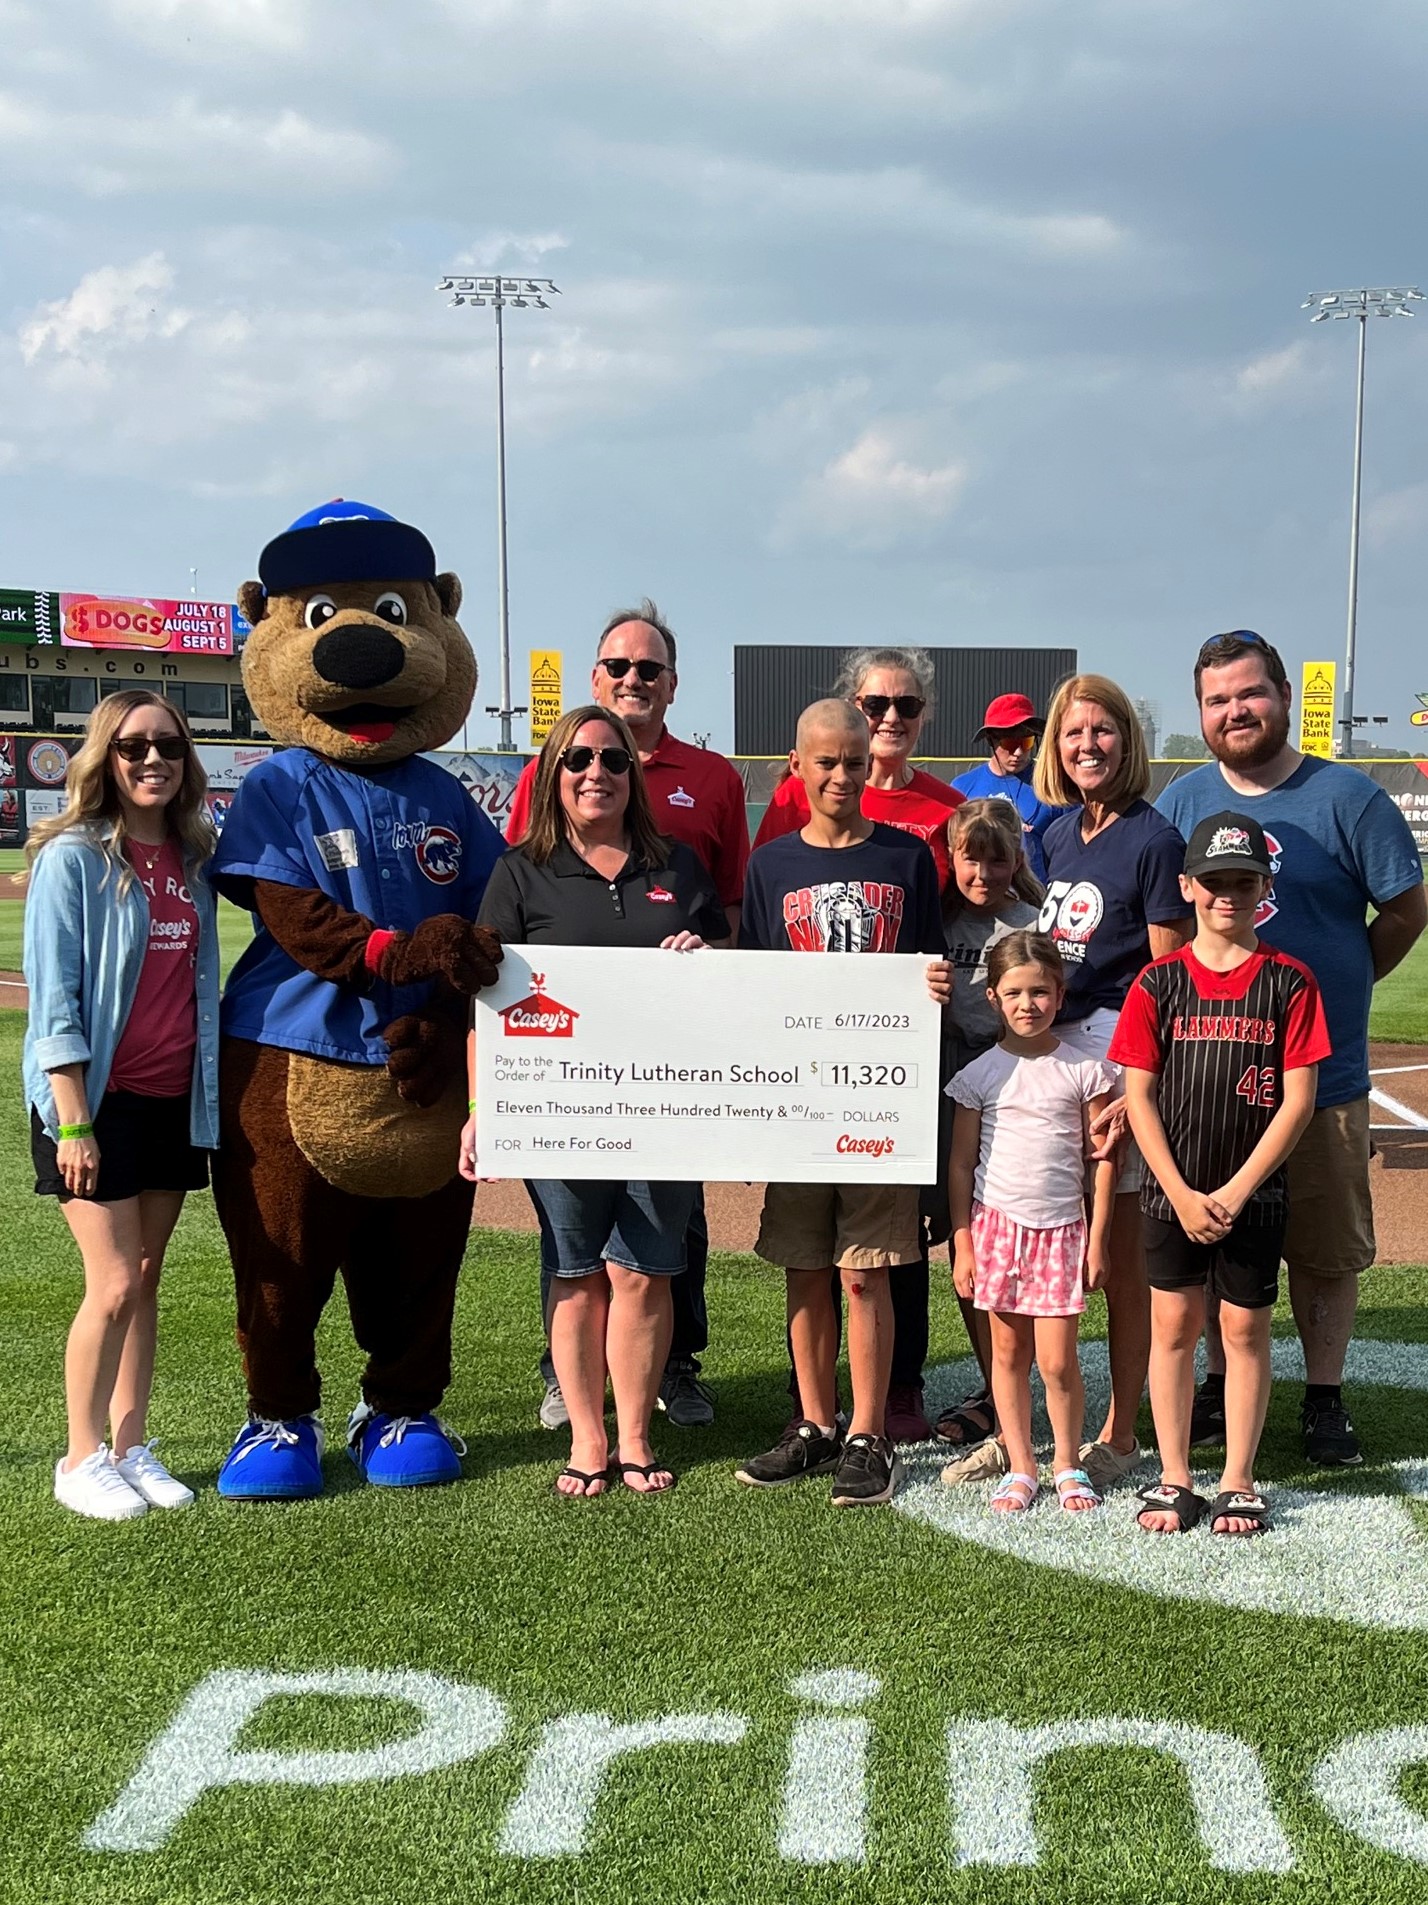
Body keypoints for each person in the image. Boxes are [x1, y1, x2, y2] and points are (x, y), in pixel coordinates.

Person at [1158, 630, 1426, 1466]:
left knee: (1321, 1245)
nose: (1235, 710)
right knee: (1208, 1236)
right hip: (1211, 1075)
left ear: (1280, 693)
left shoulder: (1348, 797)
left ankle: (1323, 1395)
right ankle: (1213, 1382)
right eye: (1217, 699)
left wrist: (1340, 992)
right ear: (1201, 712)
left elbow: (1407, 912)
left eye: (1250, 692)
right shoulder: (1185, 799)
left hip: (1325, 1072)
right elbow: (1169, 930)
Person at [468, 705, 730, 1497]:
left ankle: (637, 1437)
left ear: (633, 774)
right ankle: (588, 1439)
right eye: (579, 758)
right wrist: (485, 1107)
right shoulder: (521, 871)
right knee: (578, 1271)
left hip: (665, 1109)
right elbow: (487, 1006)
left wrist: (704, 956)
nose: (596, 773)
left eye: (614, 761)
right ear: (554, 771)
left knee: (647, 1274)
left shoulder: (677, 867)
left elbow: (729, 979)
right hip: (561, 1110)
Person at [942, 674, 1193, 1495]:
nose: (1087, 745)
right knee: (1037, 1229)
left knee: (1115, 1259)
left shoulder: (1152, 838)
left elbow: (1166, 973)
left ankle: (1119, 1430)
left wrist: (1136, 1085)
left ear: (1128, 739)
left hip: (1111, 1059)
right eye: (1074, 732)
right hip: (1048, 1052)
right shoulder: (1058, 832)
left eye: (1103, 730)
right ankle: (1019, 1429)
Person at [506, 602, 748, 1430]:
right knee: (570, 1246)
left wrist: (710, 974)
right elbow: (505, 961)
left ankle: (670, 1373)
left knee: (669, 1237)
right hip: (565, 1082)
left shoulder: (706, 792)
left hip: (667, 1078)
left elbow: (732, 919)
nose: (633, 679)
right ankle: (570, 1387)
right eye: (618, 667)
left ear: (672, 683)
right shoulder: (537, 825)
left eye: (649, 668)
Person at [734, 698, 951, 1508]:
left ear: (872, 765)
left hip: (878, 1099)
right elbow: (756, 977)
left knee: (868, 1272)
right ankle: (814, 1422)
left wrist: (934, 980)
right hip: (799, 1096)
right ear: (796, 766)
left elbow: (930, 963)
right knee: (805, 1264)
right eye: (824, 761)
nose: (840, 775)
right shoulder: (772, 866)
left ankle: (868, 1429)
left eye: (853, 761)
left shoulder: (906, 856)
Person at [22, 691, 220, 1520]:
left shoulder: (194, 856)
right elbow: (55, 1001)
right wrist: (71, 1117)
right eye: (134, 746)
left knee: (144, 1277)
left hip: (172, 1099)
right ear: (106, 756)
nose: (152, 760)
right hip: (92, 1105)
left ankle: (132, 1444)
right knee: (109, 1282)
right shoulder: (74, 858)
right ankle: (79, 1458)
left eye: (168, 746)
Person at [1110, 812, 1329, 1534]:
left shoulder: (1289, 982)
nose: (1226, 894)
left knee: (1244, 1329)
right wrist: (1176, 1189)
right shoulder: (1159, 982)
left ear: (1264, 886)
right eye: (1213, 882)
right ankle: (1175, 1473)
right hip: (1174, 1189)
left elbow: (1298, 1100)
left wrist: (1234, 1191)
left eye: (1242, 881)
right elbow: (1138, 1093)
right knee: (1172, 1325)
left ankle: (1237, 1475)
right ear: (1188, 886)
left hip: (1253, 1194)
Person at [948, 931, 1117, 1511]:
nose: (1028, 1004)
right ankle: (1021, 1463)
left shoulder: (1083, 1071)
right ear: (993, 997)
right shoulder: (979, 1077)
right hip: (995, 1231)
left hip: (1062, 1233)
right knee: (1007, 1356)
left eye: (1040, 992)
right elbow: (961, 1166)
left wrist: (1097, 1239)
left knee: (1057, 1360)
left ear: (1060, 994)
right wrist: (963, 1243)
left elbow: (1102, 1163)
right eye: (1015, 993)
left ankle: (1067, 1461)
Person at [933, 798, 1045, 1450]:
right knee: (968, 1244)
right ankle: (994, 1380)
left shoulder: (1032, 924)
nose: (983, 870)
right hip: (952, 1102)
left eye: (996, 856)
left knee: (1026, 1240)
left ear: (1016, 860)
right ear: (951, 857)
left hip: (1017, 1106)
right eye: (970, 856)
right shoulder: (936, 919)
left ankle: (1024, 1379)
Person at [950, 692, 1067, 883]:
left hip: (1037, 902)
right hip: (980, 899)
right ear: (990, 740)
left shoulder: (1054, 785)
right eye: (1010, 743)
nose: (1019, 752)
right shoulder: (962, 788)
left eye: (1027, 742)